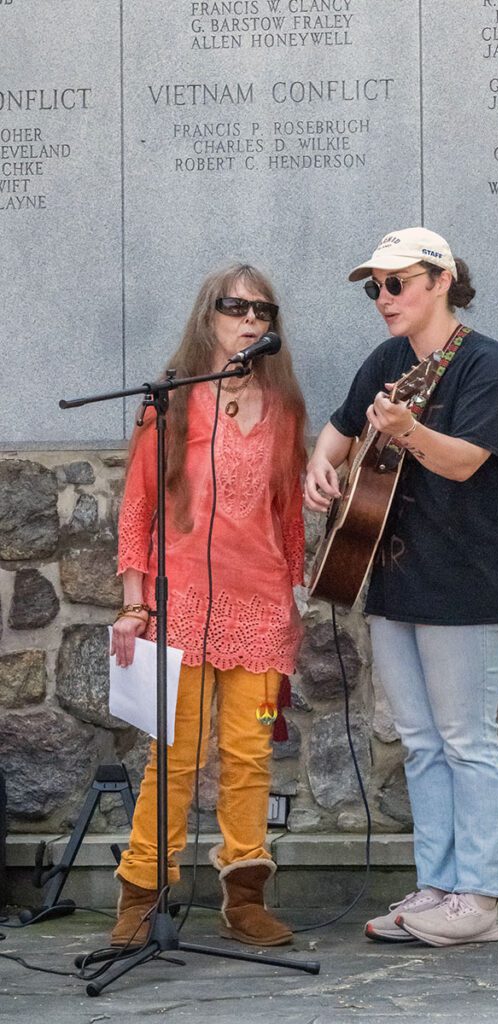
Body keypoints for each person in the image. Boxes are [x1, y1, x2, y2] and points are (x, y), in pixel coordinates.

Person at [305, 227, 498, 947]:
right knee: (418, 740)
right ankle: (436, 886)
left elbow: (466, 461)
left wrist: (406, 431)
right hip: (393, 576)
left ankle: (480, 898)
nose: (382, 298)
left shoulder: (489, 366)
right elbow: (340, 428)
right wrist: (320, 464)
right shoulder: (384, 361)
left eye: (395, 283)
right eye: (373, 286)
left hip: (467, 581)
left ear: (440, 280)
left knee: (465, 739)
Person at [110, 264, 306, 948]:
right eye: (235, 306)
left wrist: (294, 593)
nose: (250, 319)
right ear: (208, 316)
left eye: (263, 311)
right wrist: (134, 602)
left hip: (259, 606)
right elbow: (138, 499)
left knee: (250, 753)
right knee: (175, 756)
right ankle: (141, 892)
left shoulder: (284, 409)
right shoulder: (168, 400)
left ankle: (244, 895)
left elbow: (287, 516)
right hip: (181, 602)